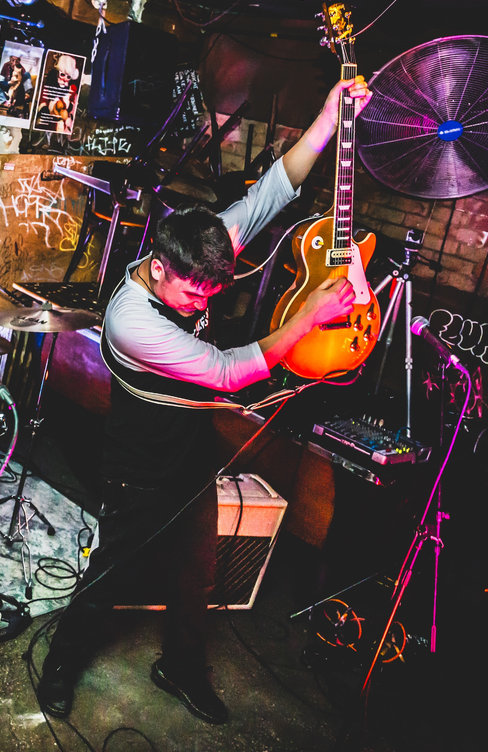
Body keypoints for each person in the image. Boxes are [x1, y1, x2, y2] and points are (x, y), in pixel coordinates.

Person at [36, 77, 372, 725]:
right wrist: (308, 318)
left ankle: (182, 667)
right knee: (111, 576)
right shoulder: (132, 320)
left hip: (191, 456)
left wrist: (330, 117)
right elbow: (227, 372)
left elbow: (274, 188)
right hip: (139, 464)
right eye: (195, 294)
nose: (204, 303)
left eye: (213, 292)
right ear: (160, 268)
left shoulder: (202, 244)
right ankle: (61, 664)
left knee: (198, 575)